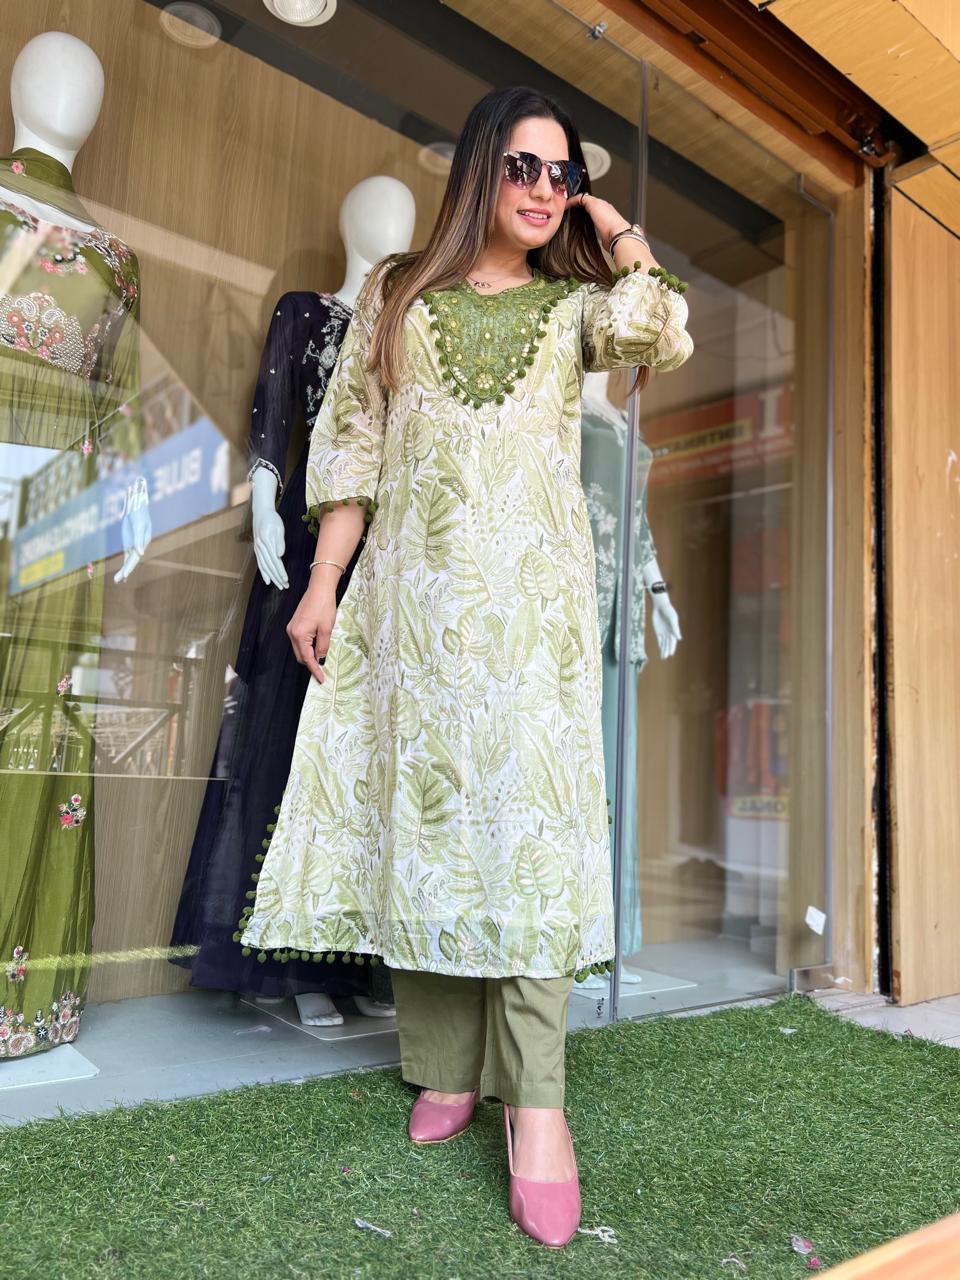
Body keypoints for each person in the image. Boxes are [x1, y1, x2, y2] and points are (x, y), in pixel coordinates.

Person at [241, 84, 693, 1248]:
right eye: (523, 167)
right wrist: (323, 582)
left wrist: (615, 226)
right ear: (479, 168)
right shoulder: (399, 294)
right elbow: (352, 447)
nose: (543, 189)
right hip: (418, 615)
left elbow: (661, 326)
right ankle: (445, 1063)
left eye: (562, 173)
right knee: (432, 831)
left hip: (533, 622)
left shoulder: (575, 311)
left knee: (529, 841)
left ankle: (536, 1103)